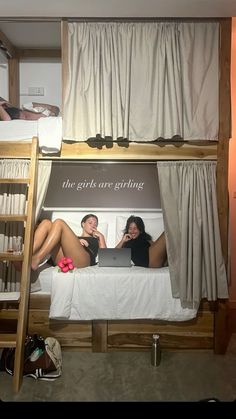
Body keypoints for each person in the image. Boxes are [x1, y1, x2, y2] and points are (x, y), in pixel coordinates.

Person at [30, 214, 106, 271]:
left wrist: (101, 237)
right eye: (90, 223)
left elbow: (104, 259)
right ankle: (27, 256)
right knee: (46, 223)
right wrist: (77, 241)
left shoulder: (96, 239)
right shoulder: (73, 237)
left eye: (95, 224)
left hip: (84, 261)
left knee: (59, 222)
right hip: (66, 260)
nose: (93, 225)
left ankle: (37, 258)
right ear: (83, 224)